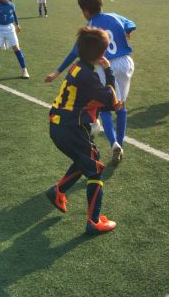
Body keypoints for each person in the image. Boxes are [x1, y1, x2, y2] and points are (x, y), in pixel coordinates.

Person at [45, 0, 135, 163]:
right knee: (120, 105)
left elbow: (75, 52)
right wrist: (128, 31)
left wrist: (58, 71)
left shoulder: (90, 27)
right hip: (125, 63)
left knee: (105, 107)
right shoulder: (115, 16)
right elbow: (131, 23)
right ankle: (120, 142)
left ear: (85, 10)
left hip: (105, 63)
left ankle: (114, 144)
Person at [46, 26, 121, 235]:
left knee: (88, 159)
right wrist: (108, 71)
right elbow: (111, 99)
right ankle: (94, 221)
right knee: (95, 169)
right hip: (70, 129)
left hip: (60, 126)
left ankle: (58, 191)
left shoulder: (77, 67)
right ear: (102, 53)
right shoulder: (89, 76)